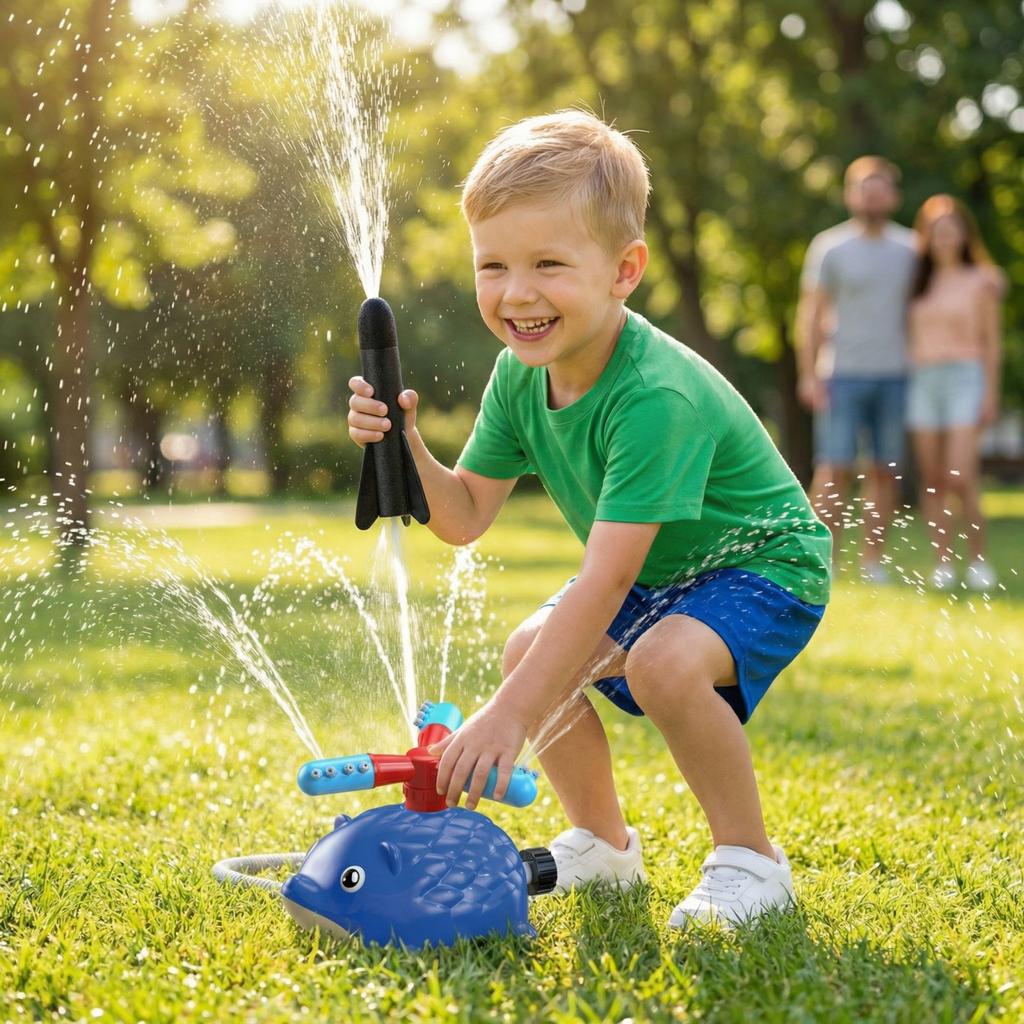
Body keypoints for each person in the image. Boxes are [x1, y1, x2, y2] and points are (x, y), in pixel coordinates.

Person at [347, 111, 831, 926]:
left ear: (624, 270)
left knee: (663, 664)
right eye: (492, 264)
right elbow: (463, 515)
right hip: (665, 573)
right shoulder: (517, 376)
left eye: (548, 264)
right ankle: (603, 848)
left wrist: (510, 717)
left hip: (766, 564)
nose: (516, 292)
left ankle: (751, 860)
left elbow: (607, 580)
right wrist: (407, 447)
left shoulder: (653, 397)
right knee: (531, 649)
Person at [797, 157, 917, 582]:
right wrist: (809, 373)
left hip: (896, 374)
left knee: (884, 471)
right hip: (840, 374)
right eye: (865, 186)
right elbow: (810, 314)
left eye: (881, 186)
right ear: (850, 194)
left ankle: (872, 562)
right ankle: (819, 561)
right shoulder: (829, 247)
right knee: (834, 468)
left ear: (894, 195)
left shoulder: (912, 249)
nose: (873, 194)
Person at [907, 194, 1005, 591]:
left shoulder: (982, 280)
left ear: (964, 235)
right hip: (924, 380)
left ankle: (979, 559)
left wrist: (990, 394)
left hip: (966, 377)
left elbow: (993, 343)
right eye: (937, 232)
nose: (945, 238)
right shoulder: (917, 281)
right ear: (927, 237)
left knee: (961, 475)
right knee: (932, 479)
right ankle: (943, 562)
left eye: (952, 230)